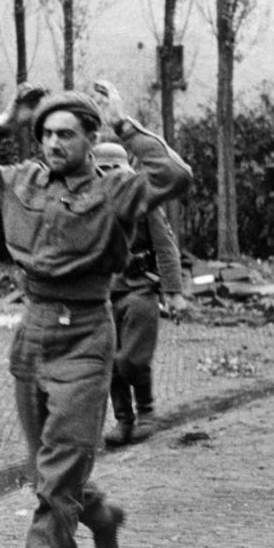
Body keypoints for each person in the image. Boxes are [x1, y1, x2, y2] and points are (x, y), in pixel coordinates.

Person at [0, 81, 192, 548]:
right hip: (31, 336)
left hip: (85, 336)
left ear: (90, 138)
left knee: (57, 475)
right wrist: (4, 119)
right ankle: (101, 517)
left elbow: (177, 178)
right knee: (44, 473)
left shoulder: (117, 191)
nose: (53, 143)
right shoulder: (18, 180)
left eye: (66, 134)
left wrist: (127, 125)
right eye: (46, 133)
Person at [92, 141, 188, 447]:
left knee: (132, 359)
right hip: (104, 292)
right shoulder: (88, 202)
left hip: (140, 287)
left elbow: (165, 245)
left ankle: (146, 410)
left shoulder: (145, 201)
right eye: (101, 169)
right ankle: (123, 419)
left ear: (127, 170)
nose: (108, 175)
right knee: (110, 360)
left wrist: (173, 291)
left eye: (114, 168)